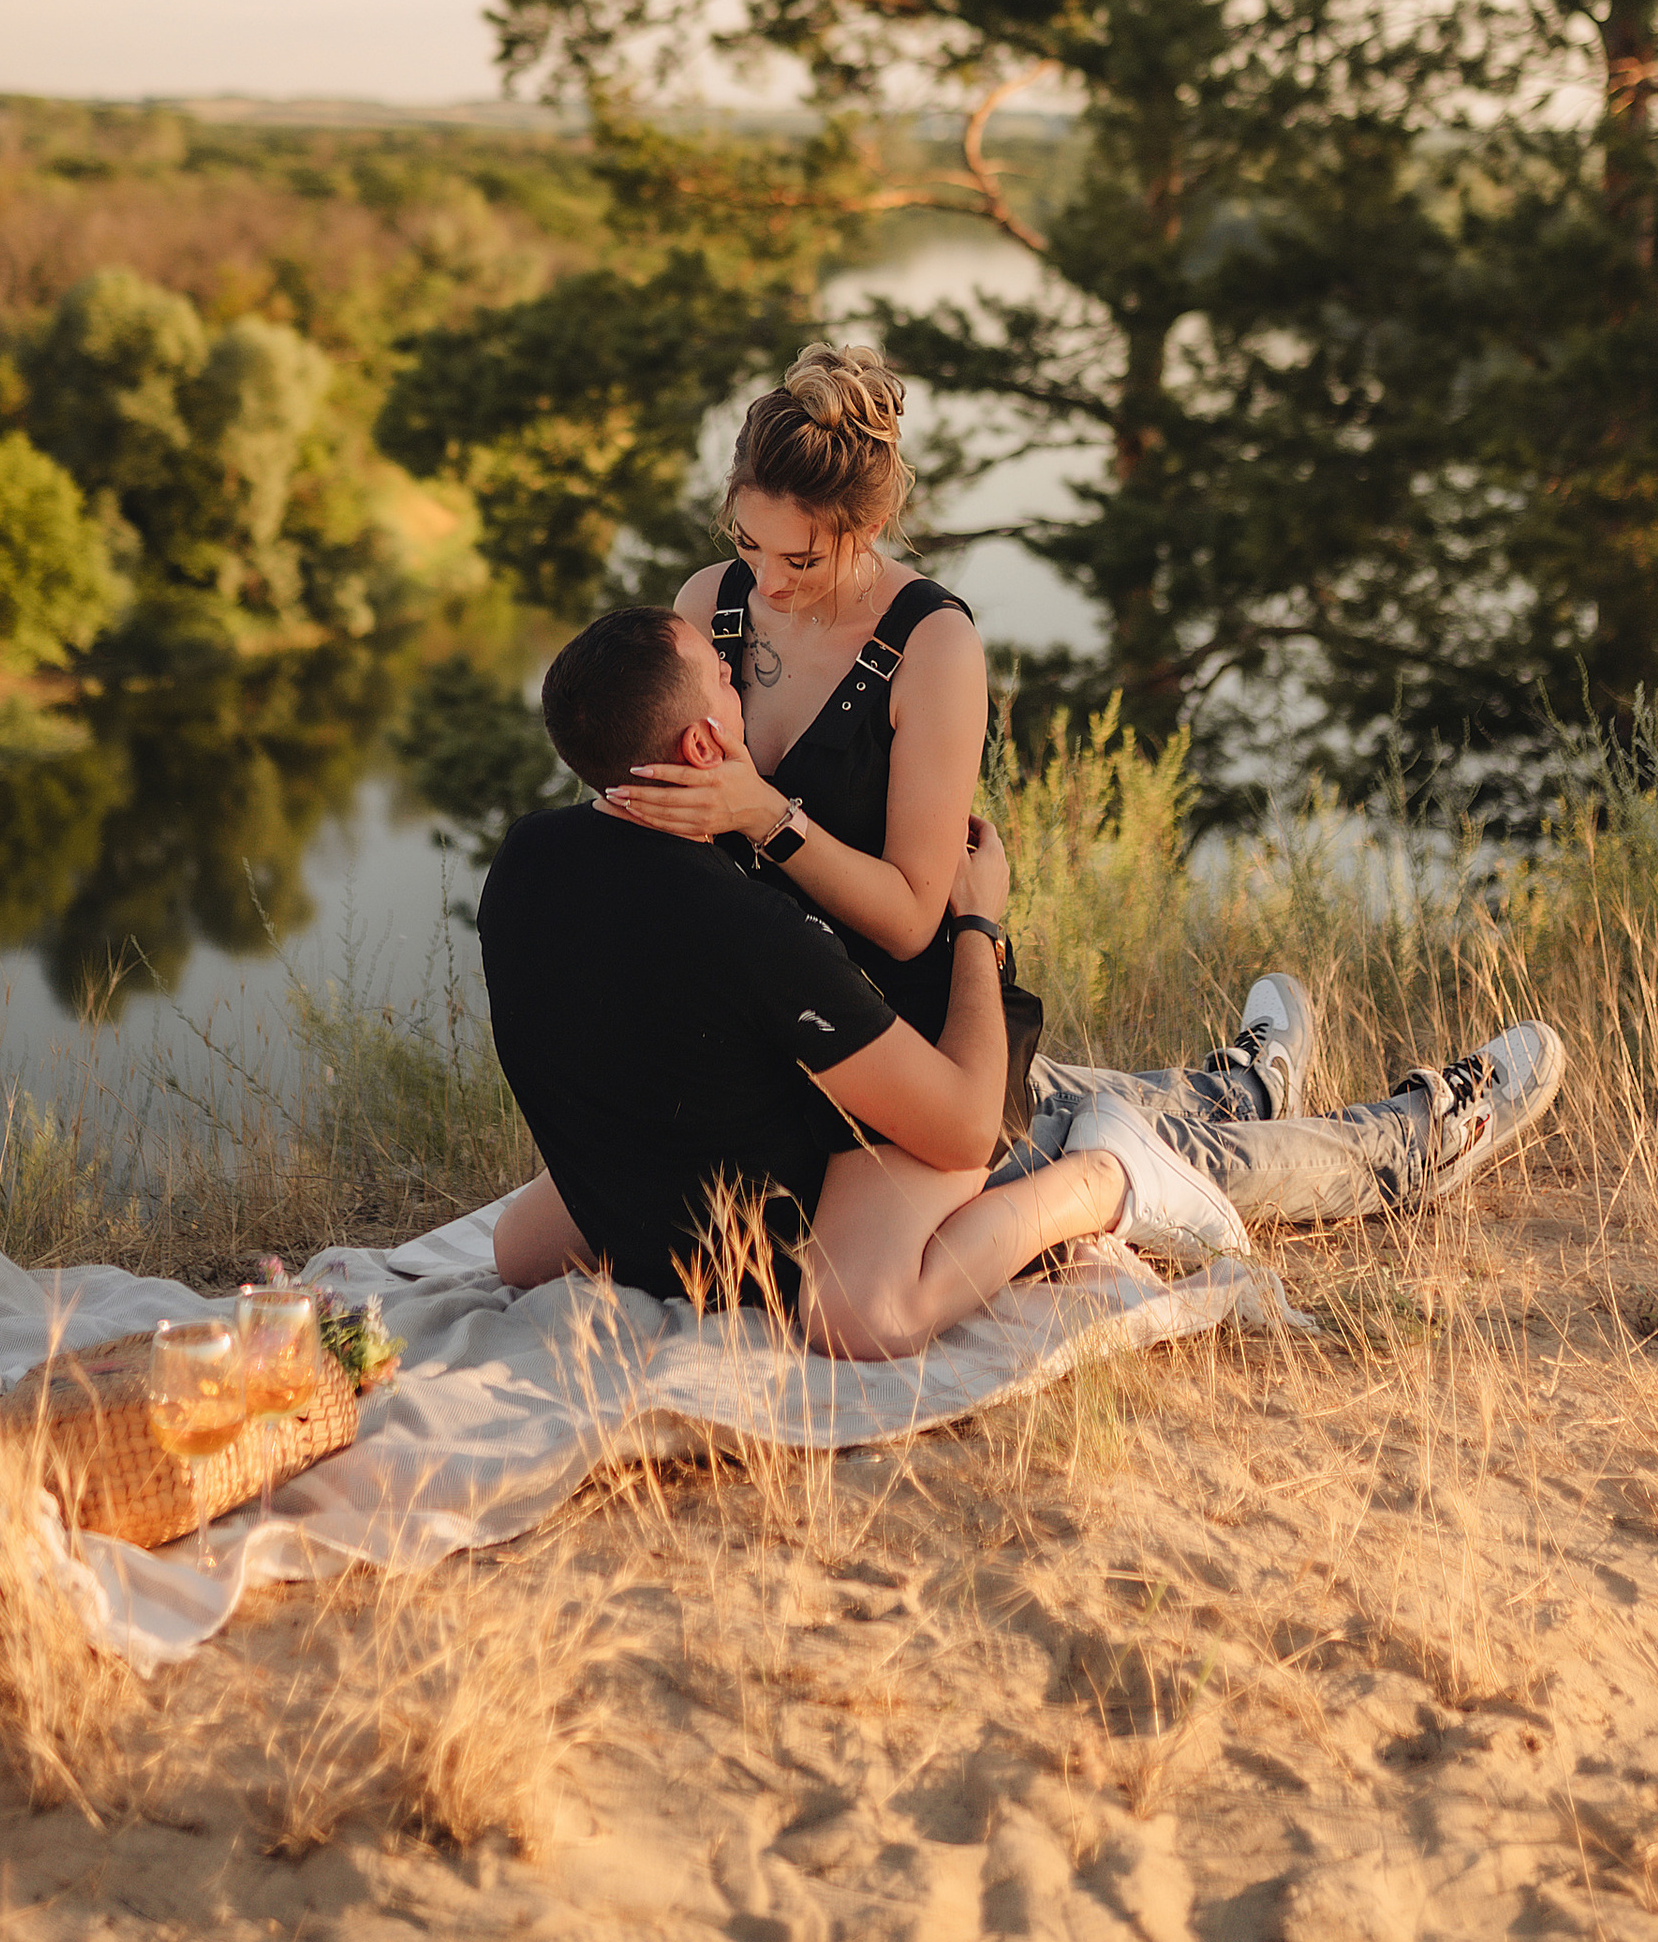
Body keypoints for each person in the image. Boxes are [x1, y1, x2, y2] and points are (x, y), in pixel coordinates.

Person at [479, 605, 1565, 1361]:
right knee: (1036, 1149)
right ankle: (1121, 1169)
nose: (743, 682)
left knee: (1044, 1126)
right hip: (854, 1135)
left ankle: (1403, 1137)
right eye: (726, 678)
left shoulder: (527, 859)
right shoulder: (739, 919)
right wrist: (977, 921)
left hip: (817, 1126)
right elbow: (956, 1127)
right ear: (705, 740)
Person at [613, 343, 987, 1045]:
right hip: (734, 1002)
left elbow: (910, 924)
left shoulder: (935, 647)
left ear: (870, 527)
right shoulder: (705, 601)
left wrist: (765, 815)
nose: (768, 583)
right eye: (748, 543)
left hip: (888, 1023)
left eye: (803, 559)